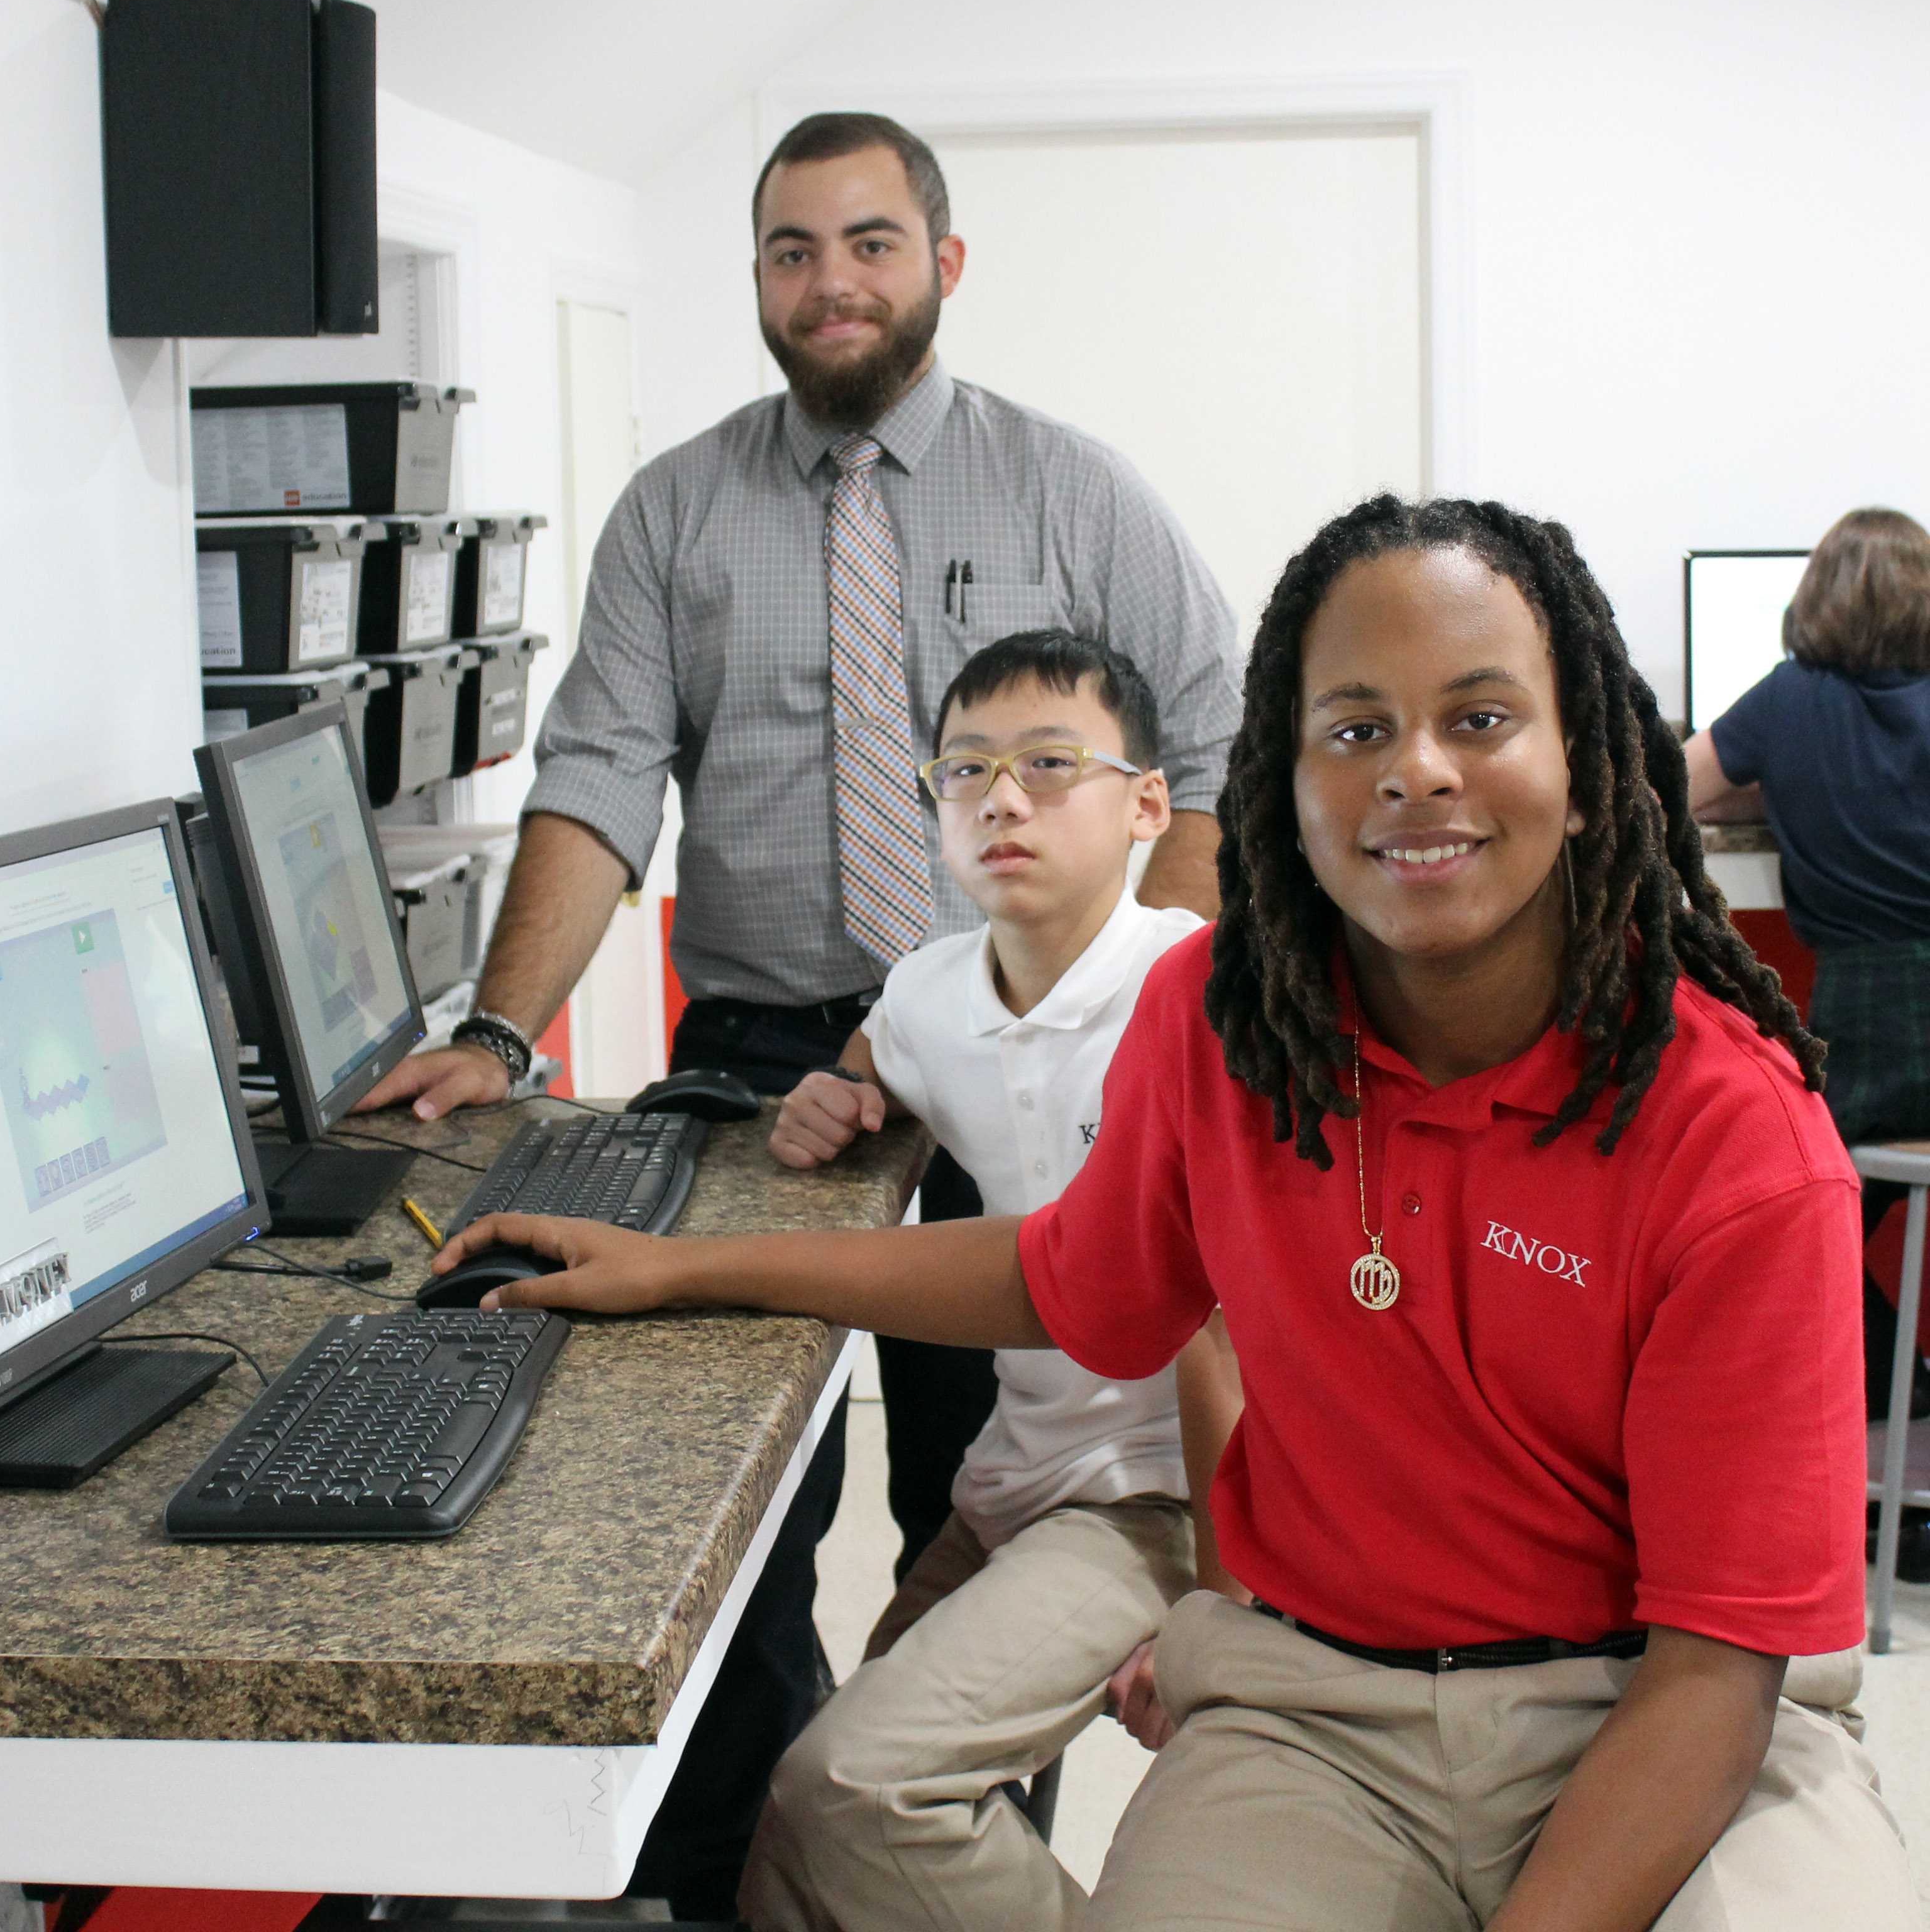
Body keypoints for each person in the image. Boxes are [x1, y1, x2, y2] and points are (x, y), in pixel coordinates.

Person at [433, 494, 1917, 1931]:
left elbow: (1718, 1669)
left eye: (1479, 718)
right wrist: (692, 1269)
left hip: (1668, 1712)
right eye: (1354, 730)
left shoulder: (1732, 1131)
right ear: (1282, 780)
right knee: (841, 1801)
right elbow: (1069, 1277)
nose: (1416, 772)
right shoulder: (1220, 1023)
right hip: (1322, 1717)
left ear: (1589, 763)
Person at [358, 110, 1242, 1918]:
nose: (829, 282)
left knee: (980, 1498)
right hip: (776, 1056)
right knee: (727, 1505)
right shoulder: (679, 508)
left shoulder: (1076, 493)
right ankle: (730, 1873)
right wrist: (503, 1033)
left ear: (943, 263)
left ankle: (940, 1862)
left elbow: (1211, 759)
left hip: (1015, 1039)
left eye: (868, 243)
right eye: (789, 249)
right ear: (756, 274)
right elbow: (599, 780)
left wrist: (1129, 1024)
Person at [743, 627, 1245, 1932]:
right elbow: (886, 1038)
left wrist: (1223, 1613)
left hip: (1163, 1499)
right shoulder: (930, 992)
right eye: (965, 771)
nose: (1001, 798)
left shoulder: (1198, 991)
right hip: (1015, 1479)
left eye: (1048, 763)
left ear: (1147, 805)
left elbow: (1238, 1337)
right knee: (791, 1845)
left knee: (856, 1788)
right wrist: (840, 1091)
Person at [1685, 505, 1930, 1562]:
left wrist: (1769, 773)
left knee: (1824, 1211)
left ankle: (1843, 1432)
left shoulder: (1789, 702)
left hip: (1861, 1021)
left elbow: (1668, 787)